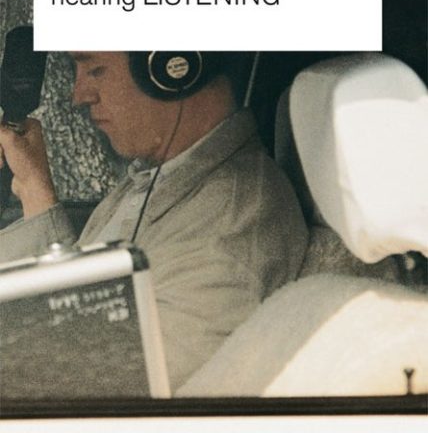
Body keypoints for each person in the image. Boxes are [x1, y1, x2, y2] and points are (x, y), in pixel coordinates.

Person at [0, 51, 308, 392]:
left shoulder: (232, 222)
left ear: (171, 69)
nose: (79, 95)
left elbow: (102, 388)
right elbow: (76, 315)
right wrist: (32, 186)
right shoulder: (163, 179)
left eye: (96, 70)